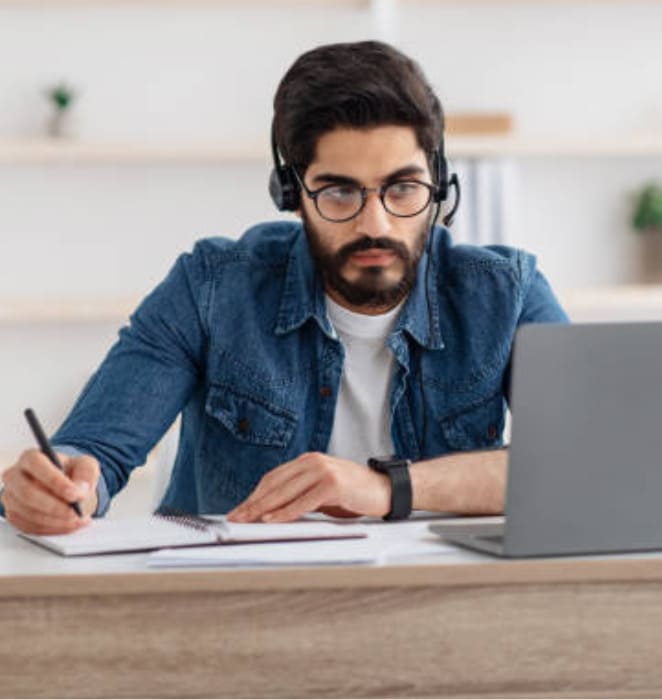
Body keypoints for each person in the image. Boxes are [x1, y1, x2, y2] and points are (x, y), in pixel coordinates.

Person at [0, 41, 567, 535]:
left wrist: (382, 488)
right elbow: (94, 452)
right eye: (340, 192)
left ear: (439, 184)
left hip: (442, 610)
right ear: (290, 192)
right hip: (243, 614)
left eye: (402, 188)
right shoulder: (211, 286)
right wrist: (57, 488)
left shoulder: (508, 292)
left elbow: (589, 462)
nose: (377, 223)